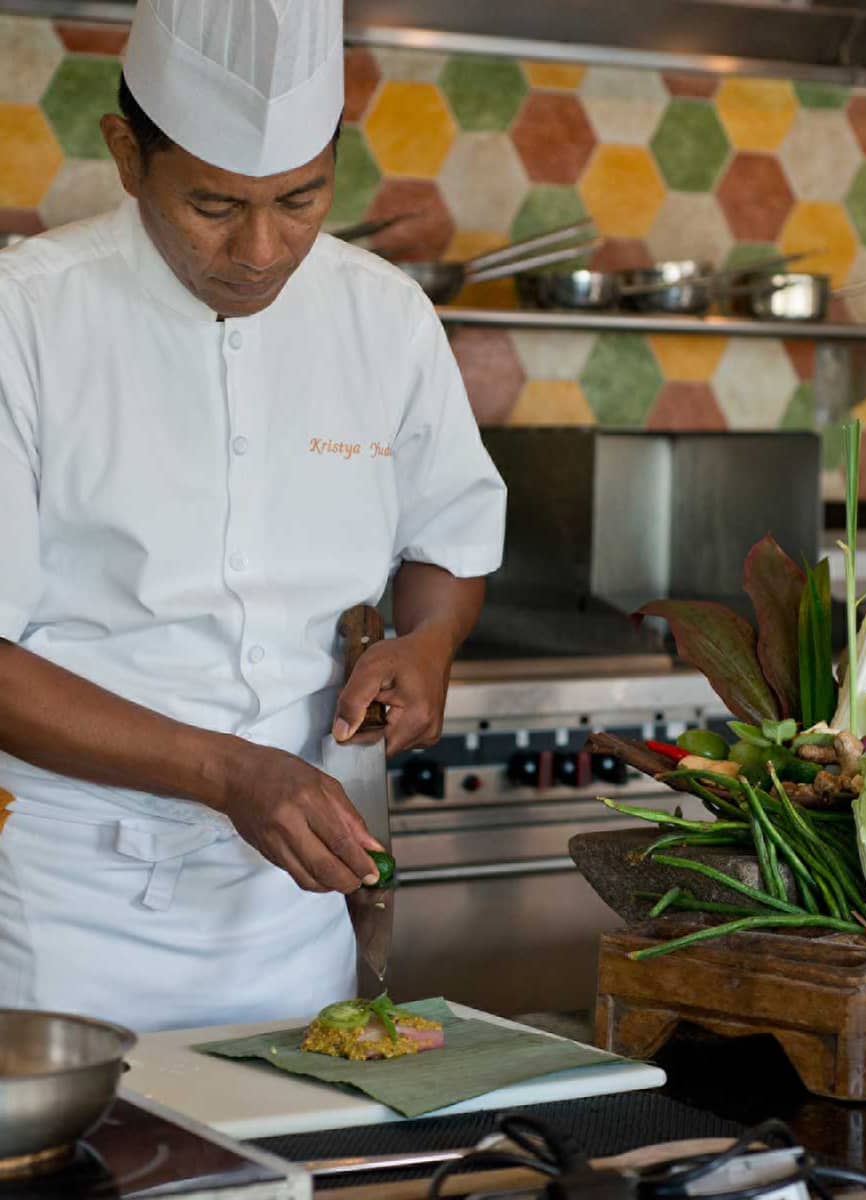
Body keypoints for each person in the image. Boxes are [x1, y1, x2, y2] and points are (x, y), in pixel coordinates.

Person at [0, 0, 505, 1032]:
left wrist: (431, 639)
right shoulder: (28, 318)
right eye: (216, 205)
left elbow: (447, 535)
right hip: (57, 909)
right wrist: (224, 770)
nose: (264, 248)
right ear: (126, 153)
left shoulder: (385, 316)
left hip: (289, 902)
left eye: (303, 199)